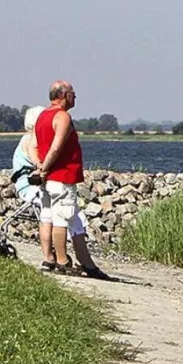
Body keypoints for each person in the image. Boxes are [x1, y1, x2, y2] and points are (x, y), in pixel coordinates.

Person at [31, 82, 109, 279]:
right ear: (64, 95)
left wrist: (39, 166)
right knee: (62, 217)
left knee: (49, 216)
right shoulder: (62, 116)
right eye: (73, 93)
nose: (75, 97)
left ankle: (83, 262)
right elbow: (56, 147)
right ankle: (62, 261)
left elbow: (34, 145)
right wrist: (46, 167)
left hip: (48, 179)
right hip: (62, 175)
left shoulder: (42, 116)